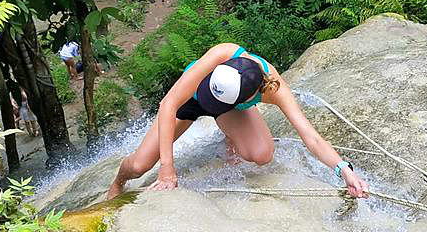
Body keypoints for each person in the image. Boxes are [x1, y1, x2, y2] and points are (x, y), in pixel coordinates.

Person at [107, 43, 370, 199]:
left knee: (261, 153)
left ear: (255, 95)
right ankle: (117, 181)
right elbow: (168, 105)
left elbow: (309, 136)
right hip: (191, 100)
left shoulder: (273, 89)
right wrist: (167, 167)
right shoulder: (222, 54)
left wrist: (344, 171)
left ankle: (229, 133)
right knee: (140, 166)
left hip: (229, 110)